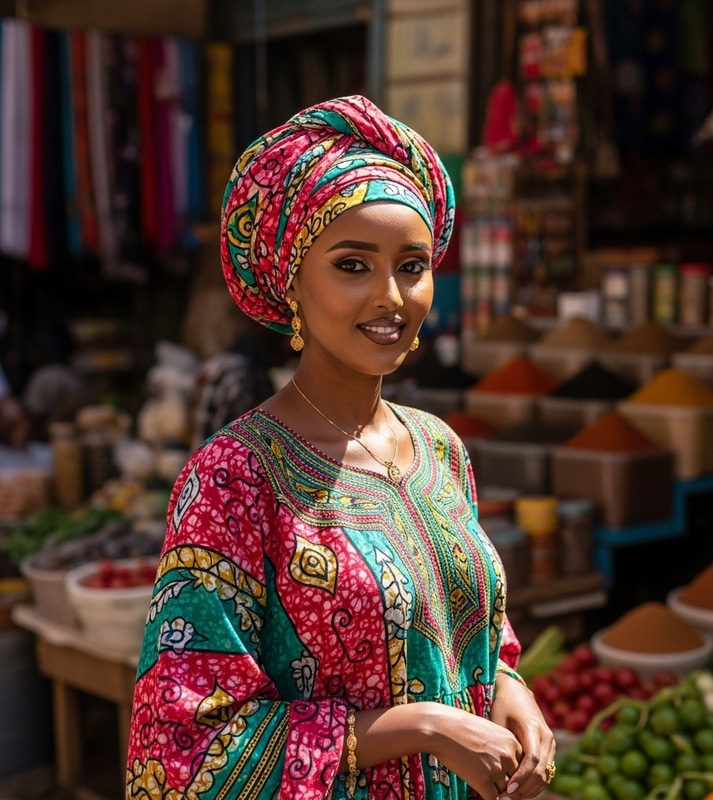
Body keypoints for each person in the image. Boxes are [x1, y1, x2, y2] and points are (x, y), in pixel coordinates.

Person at [126, 94, 556, 800]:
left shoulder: (439, 450)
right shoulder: (234, 478)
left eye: (412, 266)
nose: (391, 296)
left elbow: (469, 622)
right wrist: (420, 726)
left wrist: (509, 684)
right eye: (353, 265)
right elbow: (183, 749)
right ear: (292, 278)